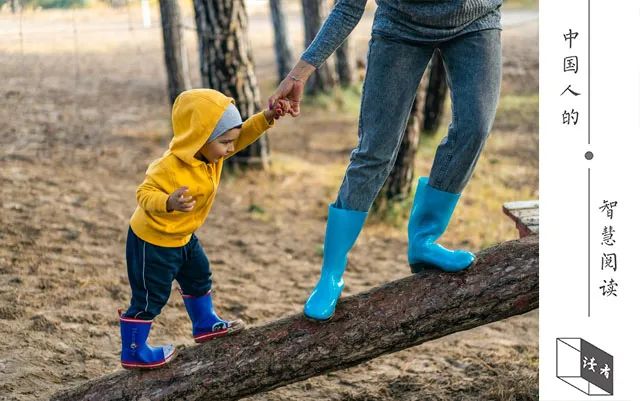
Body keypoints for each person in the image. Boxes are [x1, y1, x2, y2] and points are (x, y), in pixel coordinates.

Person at [269, 0, 503, 321]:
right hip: (400, 26)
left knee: (474, 129)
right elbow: (349, 6)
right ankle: (331, 275)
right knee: (374, 151)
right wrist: (301, 71)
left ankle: (424, 240)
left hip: (476, 19)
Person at [119, 88, 289, 369]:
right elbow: (143, 193)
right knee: (151, 296)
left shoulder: (213, 154)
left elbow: (242, 134)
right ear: (200, 138)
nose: (231, 148)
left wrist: (268, 117)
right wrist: (168, 202)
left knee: (199, 275)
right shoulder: (168, 166)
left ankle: (204, 323)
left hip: (184, 236)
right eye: (225, 142)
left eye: (230, 142)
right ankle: (134, 351)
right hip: (154, 241)